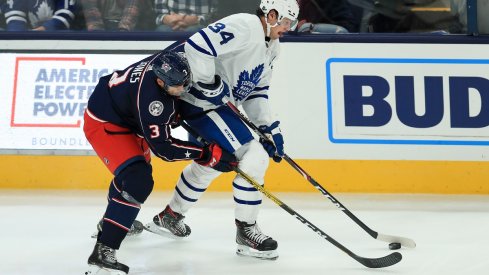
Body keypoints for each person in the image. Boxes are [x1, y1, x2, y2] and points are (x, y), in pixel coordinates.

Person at [144, 0, 299, 260]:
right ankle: (246, 231)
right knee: (255, 155)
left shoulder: (272, 46)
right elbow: (197, 46)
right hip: (198, 104)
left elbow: (256, 92)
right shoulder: (245, 25)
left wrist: (268, 128)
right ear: (272, 15)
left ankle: (170, 217)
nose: (288, 28)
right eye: (286, 21)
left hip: (215, 108)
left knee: (213, 161)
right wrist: (209, 82)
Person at [83, 51, 238, 274]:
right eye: (177, 86)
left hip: (128, 115)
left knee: (132, 176)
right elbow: (165, 149)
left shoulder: (168, 64)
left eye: (186, 82)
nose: (184, 89)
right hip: (107, 123)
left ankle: (109, 222)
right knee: (138, 181)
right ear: (160, 81)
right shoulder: (153, 102)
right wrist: (205, 154)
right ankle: (104, 250)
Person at [2, 0, 79, 31]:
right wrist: (21, 37)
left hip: (59, 41)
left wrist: (39, 31)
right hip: (28, 42)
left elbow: (64, 15)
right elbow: (14, 19)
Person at [81, 0, 155, 31]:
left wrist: (123, 33)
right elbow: (93, 19)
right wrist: (97, 35)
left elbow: (127, 22)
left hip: (135, 29)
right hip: (103, 27)